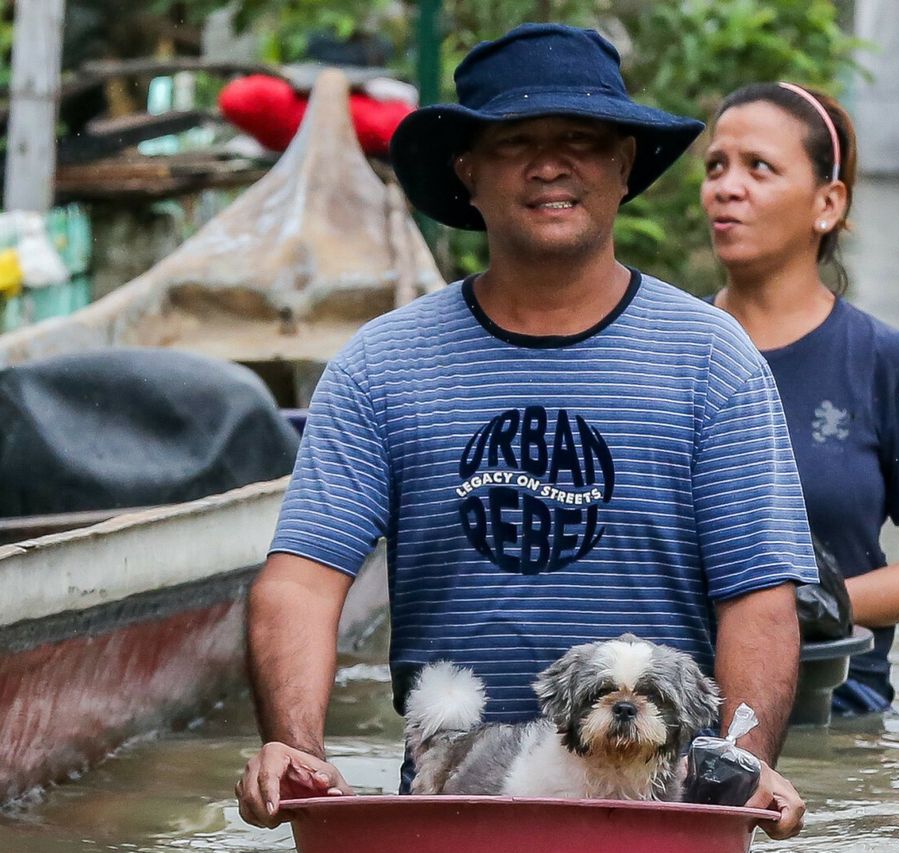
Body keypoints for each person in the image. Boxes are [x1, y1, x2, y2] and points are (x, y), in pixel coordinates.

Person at [234, 25, 816, 839]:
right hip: (449, 809)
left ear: (624, 166)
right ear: (467, 170)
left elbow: (759, 600)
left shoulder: (712, 361)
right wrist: (293, 748)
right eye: (516, 142)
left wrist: (735, 770)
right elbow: (298, 584)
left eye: (580, 139)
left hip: (655, 819)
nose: (551, 164)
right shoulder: (381, 364)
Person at [700, 83, 899, 716]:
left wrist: (828, 606)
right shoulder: (669, 350)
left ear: (827, 204)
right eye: (716, 165)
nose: (726, 186)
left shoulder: (889, 363)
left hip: (833, 706)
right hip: (677, 716)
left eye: (759, 168)